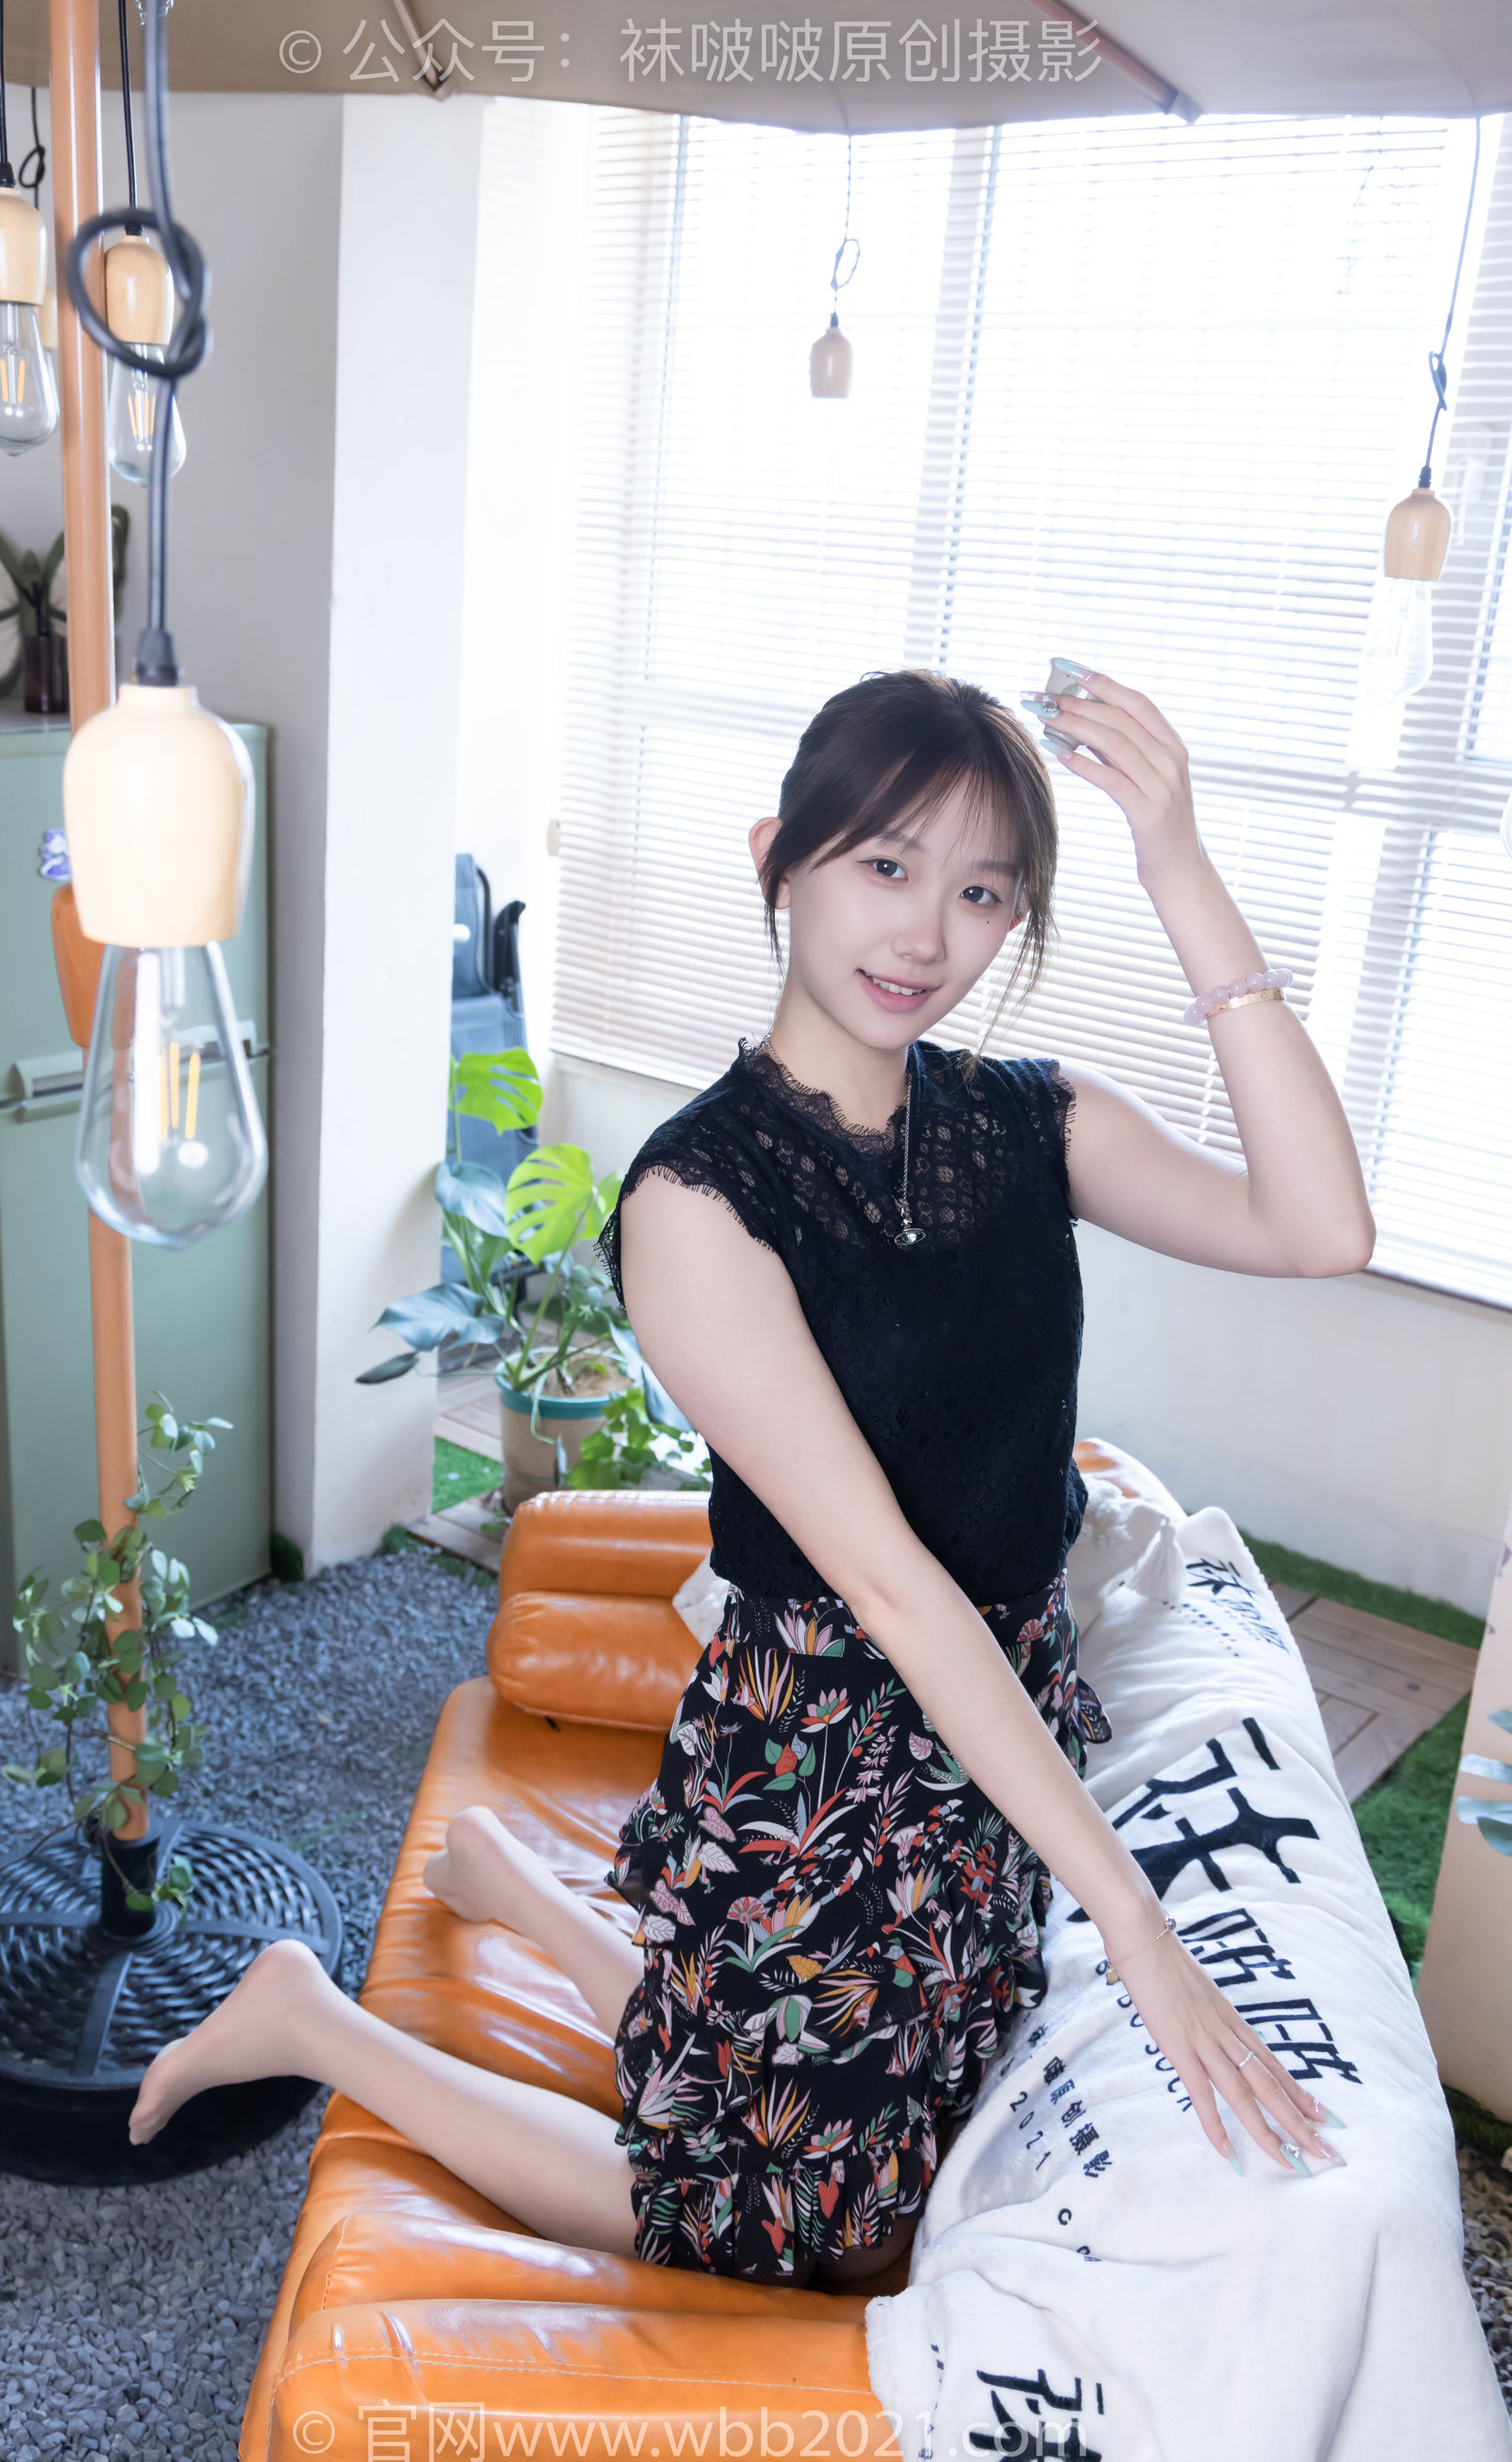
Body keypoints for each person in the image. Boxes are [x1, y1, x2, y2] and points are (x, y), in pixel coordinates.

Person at [127, 664, 1373, 2294]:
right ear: (780, 854)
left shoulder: (1034, 1124)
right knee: (797, 2234)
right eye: (886, 862)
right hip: (825, 1763)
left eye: (983, 889)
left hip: (1000, 1740)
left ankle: (519, 1892)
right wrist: (1136, 1928)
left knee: (862, 2143)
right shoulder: (697, 1201)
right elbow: (893, 1586)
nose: (926, 932)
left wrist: (1179, 865)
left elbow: (1319, 1227)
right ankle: (314, 2017)